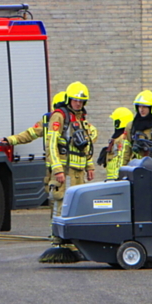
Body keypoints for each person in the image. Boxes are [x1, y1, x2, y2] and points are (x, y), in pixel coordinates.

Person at [46, 81, 95, 218]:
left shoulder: (81, 119)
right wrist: (57, 169)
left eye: (81, 101)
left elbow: (85, 145)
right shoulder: (60, 116)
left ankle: (72, 237)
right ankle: (57, 237)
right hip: (65, 172)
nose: (78, 103)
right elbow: (51, 144)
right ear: (69, 99)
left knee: (78, 207)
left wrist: (89, 166)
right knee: (61, 205)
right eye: (75, 100)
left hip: (78, 173)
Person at [99, 107, 134, 180]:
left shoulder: (123, 138)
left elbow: (121, 158)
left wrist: (119, 176)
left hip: (117, 179)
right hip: (112, 178)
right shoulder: (117, 138)